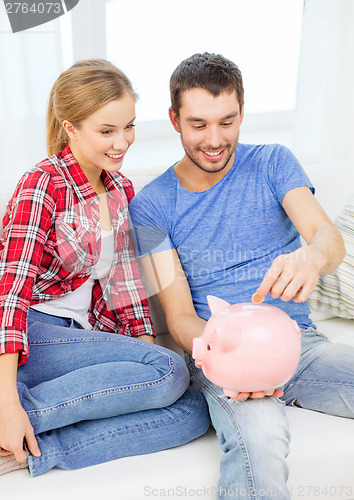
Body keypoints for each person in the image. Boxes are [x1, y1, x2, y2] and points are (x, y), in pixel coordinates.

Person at [129, 52, 354, 499]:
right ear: (174, 119)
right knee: (262, 440)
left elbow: (328, 238)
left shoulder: (273, 162)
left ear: (242, 112)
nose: (214, 139)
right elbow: (178, 319)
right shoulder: (150, 206)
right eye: (198, 125)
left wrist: (310, 258)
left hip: (299, 347)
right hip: (224, 357)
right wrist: (235, 360)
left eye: (227, 122)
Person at [0, 59, 210, 477]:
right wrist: (5, 400)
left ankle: (35, 449)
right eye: (107, 131)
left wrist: (144, 350)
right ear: (70, 128)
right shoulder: (42, 184)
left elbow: (125, 285)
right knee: (169, 370)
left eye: (128, 126)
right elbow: (11, 293)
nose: (122, 142)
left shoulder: (119, 188)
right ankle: (16, 419)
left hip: (78, 339)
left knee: (192, 405)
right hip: (32, 333)